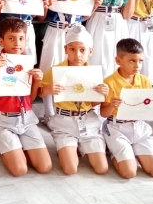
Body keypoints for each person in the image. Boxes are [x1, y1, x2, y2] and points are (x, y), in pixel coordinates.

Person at [0, 18, 52, 177]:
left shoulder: (27, 63)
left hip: (26, 119)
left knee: (44, 167)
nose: (17, 43)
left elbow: (30, 100)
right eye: (11, 38)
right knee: (20, 170)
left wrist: (37, 81)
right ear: (1, 41)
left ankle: (17, 145)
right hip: (3, 121)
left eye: (21, 38)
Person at [39, 0, 102, 123]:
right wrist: (46, 5)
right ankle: (48, 112)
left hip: (75, 34)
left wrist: (95, 5)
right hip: (55, 31)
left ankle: (68, 108)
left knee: (73, 69)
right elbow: (41, 17)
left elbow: (85, 17)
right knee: (49, 69)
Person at [40, 26, 109, 175]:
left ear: (90, 51)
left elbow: (93, 104)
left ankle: (82, 146)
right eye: (72, 49)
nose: (77, 54)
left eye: (82, 50)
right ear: (65, 49)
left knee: (101, 168)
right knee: (70, 169)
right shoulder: (56, 70)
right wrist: (48, 89)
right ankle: (68, 147)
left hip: (88, 120)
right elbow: (40, 92)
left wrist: (102, 95)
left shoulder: (94, 73)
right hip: (64, 121)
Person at [100, 38, 153, 179]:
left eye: (140, 61)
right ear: (118, 60)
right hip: (116, 127)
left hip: (140, 127)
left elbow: (150, 108)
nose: (137, 65)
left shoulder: (144, 80)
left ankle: (133, 152)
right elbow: (102, 113)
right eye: (132, 61)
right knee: (129, 173)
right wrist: (112, 105)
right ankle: (114, 152)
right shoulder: (109, 82)